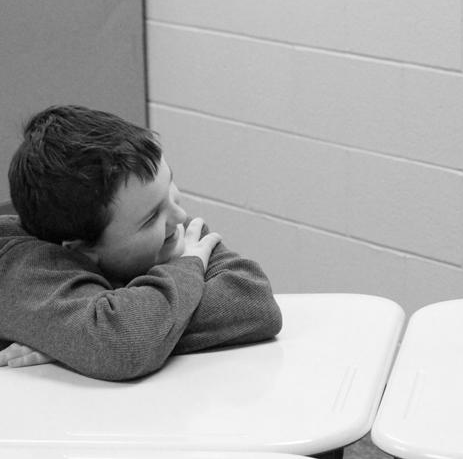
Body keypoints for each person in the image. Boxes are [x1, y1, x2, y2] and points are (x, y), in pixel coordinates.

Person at [0, 105, 282, 380]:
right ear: (79, 249)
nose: (180, 216)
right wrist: (97, 341)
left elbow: (253, 300)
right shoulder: (20, 268)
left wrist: (75, 343)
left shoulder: (161, 221)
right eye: (151, 218)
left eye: (170, 184)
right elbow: (123, 343)